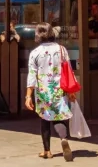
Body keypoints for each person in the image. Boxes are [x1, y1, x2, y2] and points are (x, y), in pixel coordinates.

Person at [26, 23, 75, 161]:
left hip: (43, 91)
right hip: (60, 90)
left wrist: (28, 96)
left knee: (45, 119)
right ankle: (63, 138)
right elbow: (68, 71)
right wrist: (71, 91)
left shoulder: (35, 53)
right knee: (59, 116)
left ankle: (47, 151)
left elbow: (32, 76)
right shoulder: (62, 49)